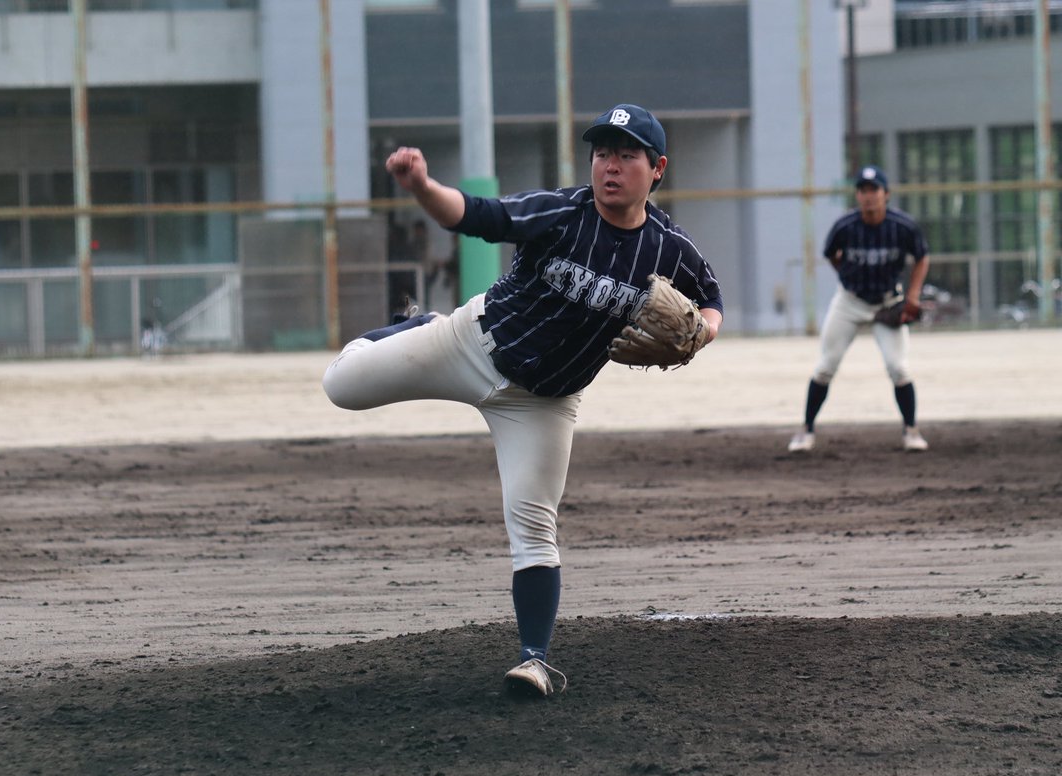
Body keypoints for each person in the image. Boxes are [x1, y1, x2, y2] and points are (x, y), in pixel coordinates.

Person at [322, 104, 724, 697]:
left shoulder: (670, 248)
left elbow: (711, 297)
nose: (610, 166)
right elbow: (477, 216)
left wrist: (703, 331)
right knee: (341, 387)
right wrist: (423, 187)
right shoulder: (563, 212)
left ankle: (534, 660)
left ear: (657, 167)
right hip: (470, 344)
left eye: (626, 154)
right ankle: (415, 326)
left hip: (544, 403)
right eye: (602, 153)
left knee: (535, 527)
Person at [788, 165, 931, 453]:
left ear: (886, 194)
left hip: (888, 302)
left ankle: (911, 430)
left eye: (874, 190)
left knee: (898, 368)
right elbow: (831, 254)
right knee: (826, 366)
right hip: (850, 302)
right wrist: (849, 275)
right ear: (857, 196)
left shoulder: (902, 226)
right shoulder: (846, 226)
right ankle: (806, 430)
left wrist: (913, 296)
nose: (868, 197)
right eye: (863, 191)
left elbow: (922, 257)